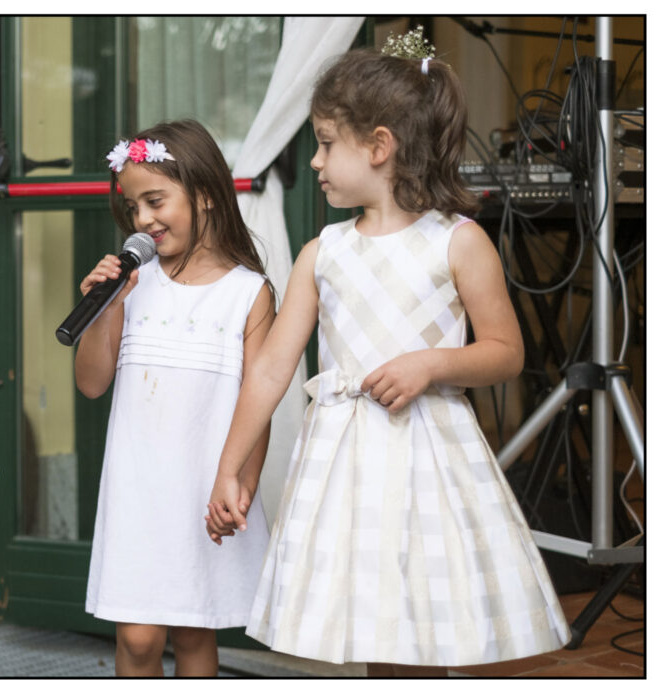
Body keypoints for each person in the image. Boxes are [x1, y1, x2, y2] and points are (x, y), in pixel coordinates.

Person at [205, 49, 571, 675]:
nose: (314, 161)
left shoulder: (458, 241)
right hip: (343, 466)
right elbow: (269, 370)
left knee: (425, 622)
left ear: (379, 146)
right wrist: (229, 468)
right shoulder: (322, 253)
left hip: (428, 461)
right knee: (372, 628)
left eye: (324, 143)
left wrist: (430, 364)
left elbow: (506, 353)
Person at [77, 119, 275, 676]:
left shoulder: (248, 294)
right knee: (138, 639)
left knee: (194, 631)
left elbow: (257, 407)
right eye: (133, 207)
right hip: (138, 490)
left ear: (206, 194)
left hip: (205, 486)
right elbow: (91, 382)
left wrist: (241, 485)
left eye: (155, 201)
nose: (142, 220)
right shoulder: (131, 286)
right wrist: (105, 307)